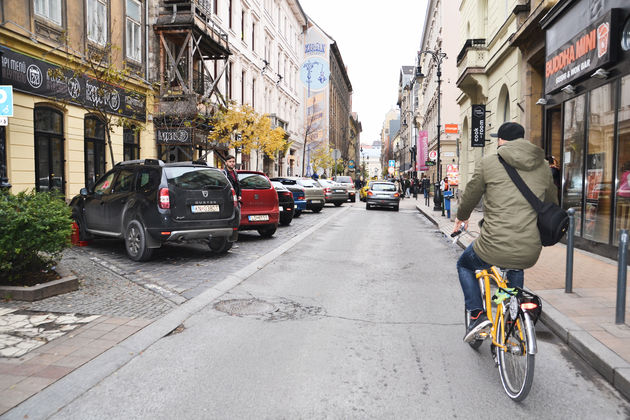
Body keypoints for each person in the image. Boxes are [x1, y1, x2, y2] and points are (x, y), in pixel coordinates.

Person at [452, 122, 557, 342]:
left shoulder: (489, 163)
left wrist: (461, 217)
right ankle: (512, 316)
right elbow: (551, 204)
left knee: (465, 264)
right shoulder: (543, 166)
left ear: (501, 140)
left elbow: (471, 194)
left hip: (493, 245)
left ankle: (478, 315)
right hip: (529, 248)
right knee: (514, 264)